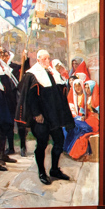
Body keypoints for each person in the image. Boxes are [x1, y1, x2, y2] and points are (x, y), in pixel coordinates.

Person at [18, 49, 73, 186]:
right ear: (38, 60)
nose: (48, 61)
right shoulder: (31, 75)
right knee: (42, 144)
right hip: (41, 118)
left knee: (59, 141)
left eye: (48, 59)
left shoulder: (50, 72)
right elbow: (30, 98)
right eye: (45, 59)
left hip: (53, 115)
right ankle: (42, 172)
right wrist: (36, 114)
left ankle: (54, 169)